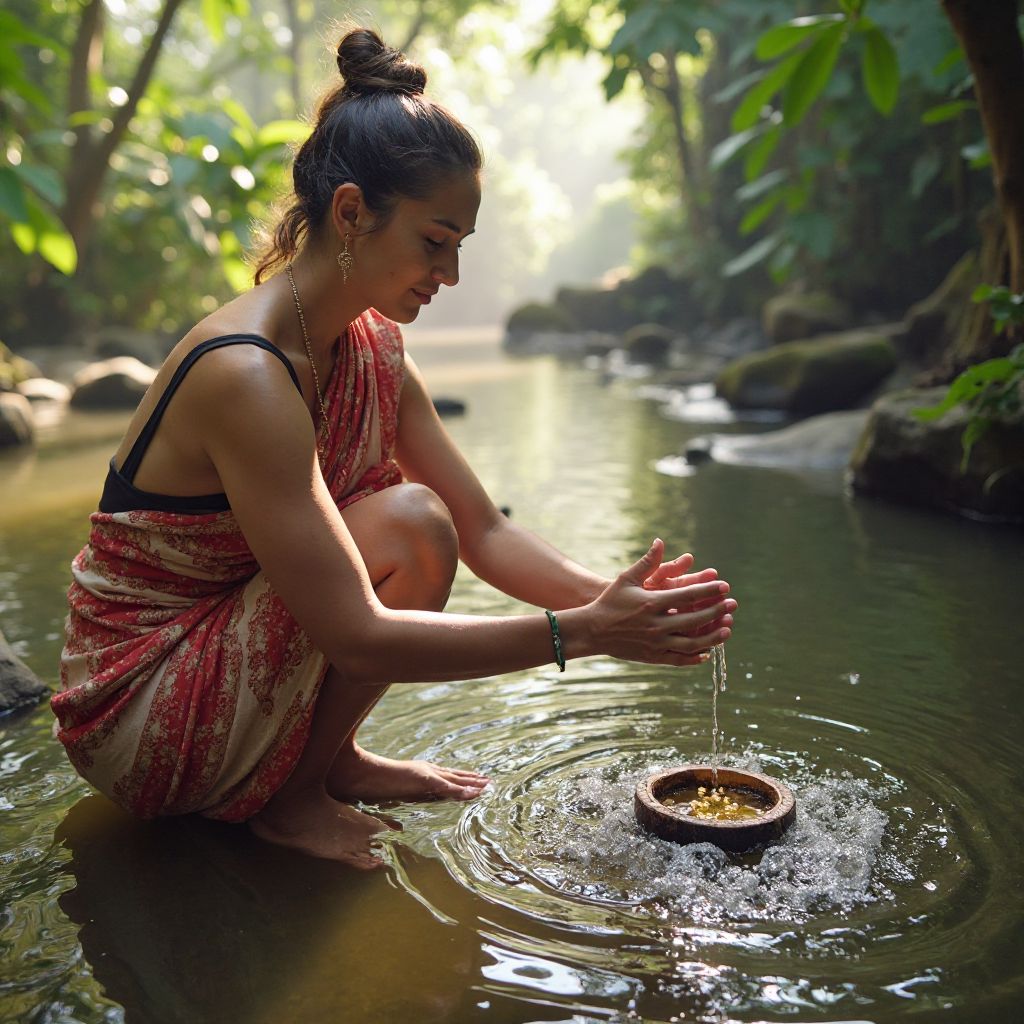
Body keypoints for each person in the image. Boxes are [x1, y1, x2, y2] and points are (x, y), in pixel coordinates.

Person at [52, 28, 737, 869]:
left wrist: (630, 600)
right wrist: (584, 633)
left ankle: (327, 763)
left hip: (224, 653)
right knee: (413, 522)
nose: (447, 275)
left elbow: (484, 530)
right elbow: (361, 637)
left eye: (460, 249)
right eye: (434, 241)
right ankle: (293, 802)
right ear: (350, 213)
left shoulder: (370, 345)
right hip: (143, 712)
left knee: (428, 521)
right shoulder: (246, 374)